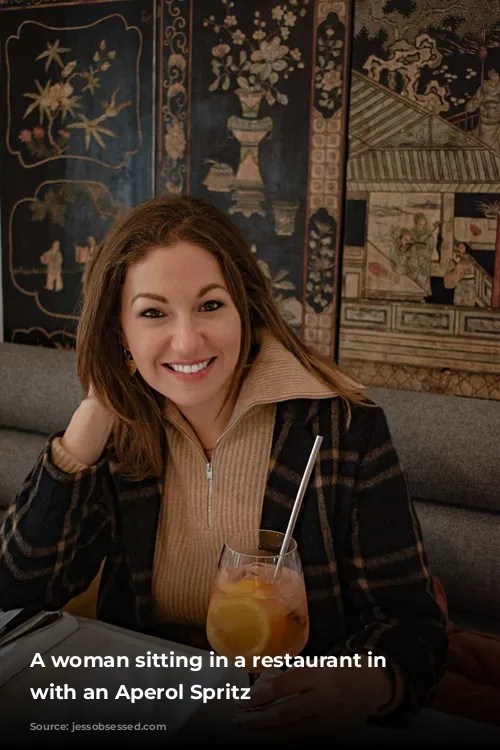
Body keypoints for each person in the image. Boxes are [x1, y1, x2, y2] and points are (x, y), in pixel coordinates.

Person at [0, 196, 447, 738]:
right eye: (152, 313)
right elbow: (15, 592)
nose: (187, 340)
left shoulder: (344, 429)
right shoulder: (121, 430)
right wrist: (92, 416)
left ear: (244, 307)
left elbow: (412, 624)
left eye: (210, 305)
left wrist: (353, 683)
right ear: (120, 331)